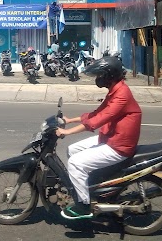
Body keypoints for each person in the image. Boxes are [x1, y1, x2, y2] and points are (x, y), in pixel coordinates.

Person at [55, 56, 142, 220]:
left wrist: (67, 132)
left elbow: (97, 121)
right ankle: (90, 185)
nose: (98, 79)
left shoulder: (122, 95)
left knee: (75, 163)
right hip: (109, 137)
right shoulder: (115, 90)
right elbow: (96, 113)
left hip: (118, 146)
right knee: (72, 149)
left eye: (100, 75)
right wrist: (70, 120)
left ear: (109, 75)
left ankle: (83, 205)